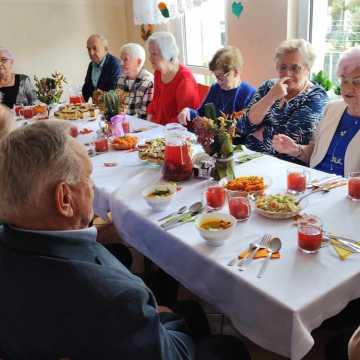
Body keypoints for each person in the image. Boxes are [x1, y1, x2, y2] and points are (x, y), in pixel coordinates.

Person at [0, 122, 251, 360]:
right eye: (88, 178)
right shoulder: (115, 299)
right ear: (64, 199)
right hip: (116, 333)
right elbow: (174, 354)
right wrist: (162, 317)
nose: (92, 186)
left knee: (191, 310)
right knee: (228, 347)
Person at [237, 39, 328, 163]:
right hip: (250, 157)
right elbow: (242, 126)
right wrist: (270, 97)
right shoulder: (268, 86)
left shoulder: (316, 97)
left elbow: (285, 143)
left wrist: (261, 130)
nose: (287, 73)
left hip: (285, 166)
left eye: (295, 68)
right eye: (283, 67)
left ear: (307, 69)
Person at [273, 46, 360, 176]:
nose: (348, 87)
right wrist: (294, 149)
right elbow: (315, 154)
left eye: (357, 82)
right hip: (316, 183)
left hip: (347, 192)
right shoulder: (332, 109)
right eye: (344, 81)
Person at [178, 46, 256, 125]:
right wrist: (188, 112)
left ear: (236, 72)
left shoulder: (249, 94)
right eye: (216, 77)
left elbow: (249, 129)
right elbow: (200, 114)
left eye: (221, 77)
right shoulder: (215, 89)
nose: (218, 82)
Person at [147, 31, 200, 125]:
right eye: (150, 54)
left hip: (175, 133)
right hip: (157, 128)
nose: (149, 58)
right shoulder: (158, 73)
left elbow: (184, 119)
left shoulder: (185, 80)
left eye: (154, 54)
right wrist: (150, 119)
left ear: (167, 54)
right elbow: (155, 103)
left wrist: (160, 130)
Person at [117, 43, 154, 119]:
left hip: (141, 126)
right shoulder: (121, 79)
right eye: (121, 59)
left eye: (125, 59)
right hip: (122, 124)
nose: (121, 63)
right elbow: (117, 107)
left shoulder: (148, 82)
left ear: (139, 62)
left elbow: (144, 116)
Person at [82, 34, 121, 102]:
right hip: (94, 108)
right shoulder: (91, 64)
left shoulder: (115, 64)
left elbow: (112, 92)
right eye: (88, 49)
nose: (91, 53)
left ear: (105, 49)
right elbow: (86, 88)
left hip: (109, 108)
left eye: (95, 48)